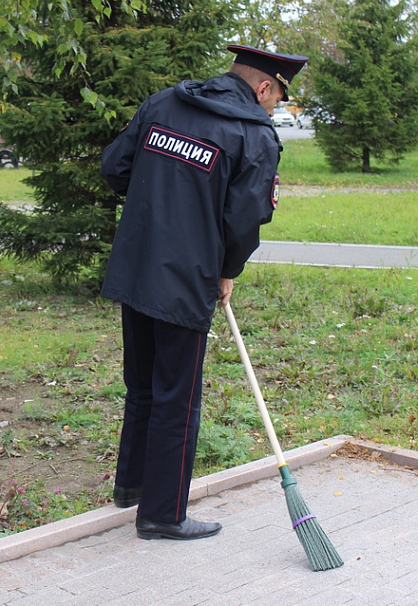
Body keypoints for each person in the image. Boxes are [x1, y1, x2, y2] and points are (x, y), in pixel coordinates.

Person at [99, 44, 308, 540]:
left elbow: (115, 168)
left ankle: (132, 488)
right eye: (277, 99)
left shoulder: (164, 103)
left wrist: (163, 192)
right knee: (178, 397)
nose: (274, 109)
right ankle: (162, 514)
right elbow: (245, 220)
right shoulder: (255, 135)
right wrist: (228, 269)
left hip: (137, 265)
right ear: (263, 88)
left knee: (144, 387)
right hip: (185, 280)